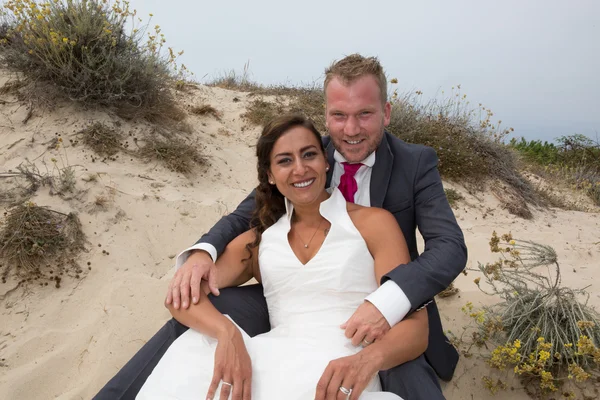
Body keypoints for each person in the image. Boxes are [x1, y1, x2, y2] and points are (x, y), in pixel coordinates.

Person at [94, 54, 467, 400]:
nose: (351, 129)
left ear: (386, 112)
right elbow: (245, 215)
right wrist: (201, 254)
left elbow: (449, 246)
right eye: (339, 115)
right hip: (291, 306)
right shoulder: (306, 153)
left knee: (403, 370)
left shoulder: (413, 165)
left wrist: (389, 302)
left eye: (364, 114)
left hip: (386, 303)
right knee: (201, 329)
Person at [136, 114, 428, 399]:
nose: (300, 169)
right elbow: (182, 298)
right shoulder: (261, 241)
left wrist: (367, 361)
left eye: (309, 154)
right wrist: (227, 333)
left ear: (326, 162)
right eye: (285, 161)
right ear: (270, 176)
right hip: (268, 362)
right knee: (188, 365)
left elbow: (416, 327)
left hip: (339, 377)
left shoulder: (374, 224)